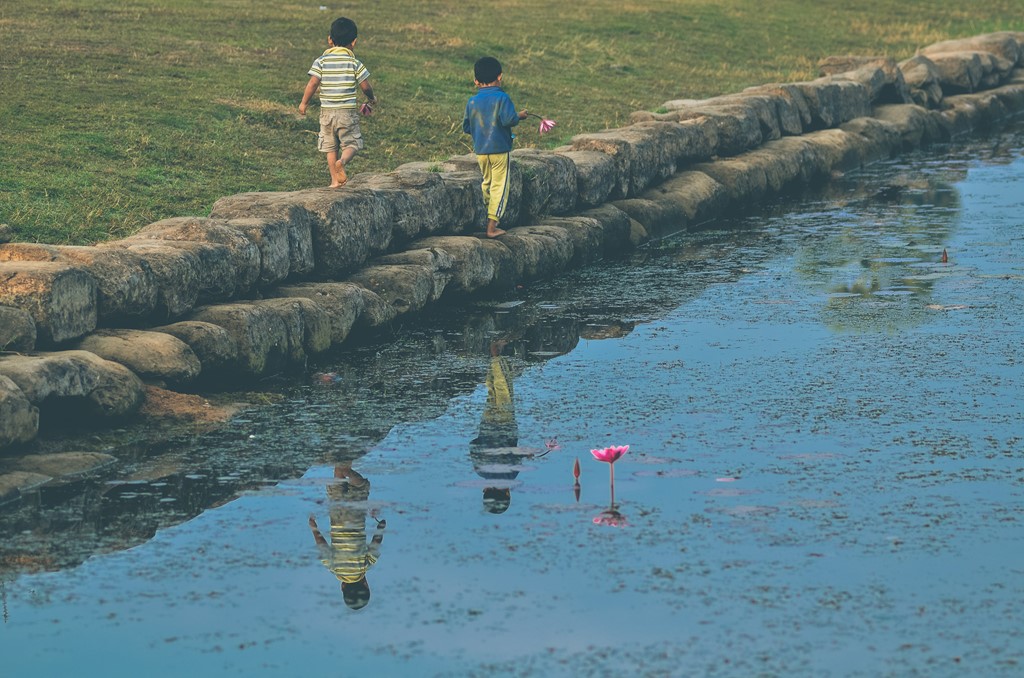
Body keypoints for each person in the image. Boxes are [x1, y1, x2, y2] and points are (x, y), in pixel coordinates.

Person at [299, 17, 378, 188]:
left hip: (326, 112)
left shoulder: (321, 61)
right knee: (352, 143)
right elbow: (365, 86)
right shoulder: (354, 63)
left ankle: (334, 181)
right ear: (354, 42)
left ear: (330, 39)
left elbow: (313, 83)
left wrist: (304, 103)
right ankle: (342, 162)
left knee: (330, 147)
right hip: (346, 113)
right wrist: (371, 98)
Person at [462, 56, 529, 238]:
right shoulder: (502, 98)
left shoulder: (472, 101)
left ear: (476, 81)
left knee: (487, 182)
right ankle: (492, 226)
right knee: (500, 185)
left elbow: (467, 127)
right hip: (500, 149)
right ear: (500, 77)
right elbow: (509, 120)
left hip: (481, 151)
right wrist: (520, 116)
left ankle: (488, 213)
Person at [309, 463, 385, 610]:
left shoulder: (364, 567)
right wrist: (313, 527)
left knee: (361, 487)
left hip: (355, 516)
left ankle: (347, 470)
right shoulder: (335, 569)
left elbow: (376, 543)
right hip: (336, 515)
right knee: (338, 482)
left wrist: (381, 527)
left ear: (366, 584)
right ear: (342, 587)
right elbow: (322, 547)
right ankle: (341, 467)